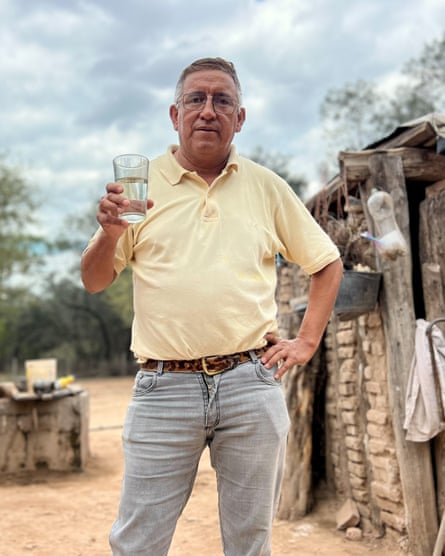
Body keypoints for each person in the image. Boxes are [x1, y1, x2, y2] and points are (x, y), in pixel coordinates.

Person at [81, 57, 343, 556]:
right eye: (196, 99)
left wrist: (306, 341)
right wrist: (111, 233)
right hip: (163, 389)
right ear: (174, 114)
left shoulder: (267, 187)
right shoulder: (139, 188)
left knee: (250, 543)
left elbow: (327, 263)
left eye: (222, 100)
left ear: (239, 118)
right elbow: (95, 280)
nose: (208, 110)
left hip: (249, 384)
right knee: (137, 543)